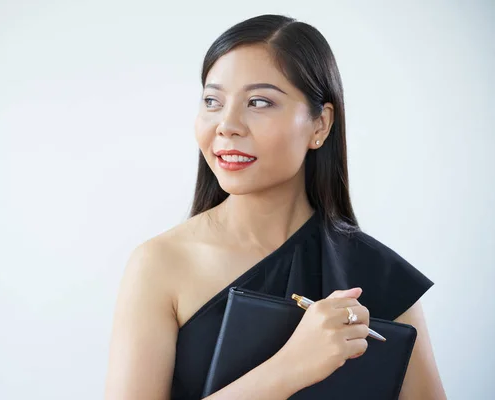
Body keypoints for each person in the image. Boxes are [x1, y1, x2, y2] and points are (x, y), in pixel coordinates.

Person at [104, 14, 446, 399]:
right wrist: (290, 368)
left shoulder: (379, 276)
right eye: (212, 101)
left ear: (320, 125)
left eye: (259, 102)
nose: (227, 124)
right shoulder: (160, 264)